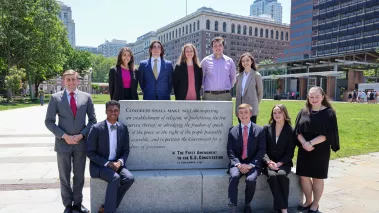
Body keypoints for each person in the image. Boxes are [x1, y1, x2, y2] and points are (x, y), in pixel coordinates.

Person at [45, 70, 97, 213]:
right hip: (63, 144)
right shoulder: (55, 98)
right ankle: (68, 205)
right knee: (64, 177)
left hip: (80, 143)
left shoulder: (86, 97)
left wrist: (81, 135)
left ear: (78, 81)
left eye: (73, 79)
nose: (71, 82)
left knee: (79, 176)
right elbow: (49, 122)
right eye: (68, 80)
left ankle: (77, 204)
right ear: (64, 81)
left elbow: (92, 121)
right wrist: (64, 136)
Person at [294, 86, 340, 213]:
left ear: (323, 97)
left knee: (317, 177)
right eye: (311, 96)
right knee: (304, 176)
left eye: (316, 97)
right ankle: (308, 201)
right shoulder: (303, 111)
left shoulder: (329, 113)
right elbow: (297, 130)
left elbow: (328, 134)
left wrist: (310, 143)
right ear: (308, 97)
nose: (314, 99)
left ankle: (315, 203)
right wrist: (304, 143)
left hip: (320, 149)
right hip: (304, 149)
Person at [87, 100, 135, 213]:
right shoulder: (96, 128)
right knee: (116, 178)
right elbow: (90, 152)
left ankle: (106, 207)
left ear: (119, 112)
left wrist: (120, 162)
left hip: (117, 164)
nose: (113, 112)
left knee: (129, 178)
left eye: (116, 110)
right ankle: (110, 211)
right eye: (110, 110)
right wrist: (107, 163)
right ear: (106, 111)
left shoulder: (123, 128)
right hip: (100, 165)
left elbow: (126, 150)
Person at [227, 103, 266, 213]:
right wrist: (238, 164)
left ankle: (247, 204)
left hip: (253, 163)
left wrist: (251, 165)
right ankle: (232, 206)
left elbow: (262, 150)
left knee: (251, 179)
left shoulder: (260, 130)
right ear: (238, 115)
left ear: (251, 114)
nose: (243, 115)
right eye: (241, 113)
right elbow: (230, 151)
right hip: (237, 163)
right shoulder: (232, 131)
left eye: (246, 112)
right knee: (234, 176)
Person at [263, 104, 295, 213]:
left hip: (284, 163)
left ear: (285, 113)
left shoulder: (290, 130)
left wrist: (279, 164)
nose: (277, 115)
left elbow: (290, 152)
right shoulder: (267, 128)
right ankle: (284, 209)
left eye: (279, 112)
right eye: (274, 113)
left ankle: (280, 208)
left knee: (281, 175)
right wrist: (268, 162)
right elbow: (263, 149)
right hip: (269, 162)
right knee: (272, 176)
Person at [201, 37, 236, 101]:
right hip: (209, 96)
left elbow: (233, 79)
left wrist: (226, 89)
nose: (218, 48)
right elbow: (201, 78)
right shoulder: (205, 61)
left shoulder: (230, 61)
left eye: (220, 45)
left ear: (223, 47)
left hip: (225, 96)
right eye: (215, 46)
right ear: (212, 48)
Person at [235, 53, 263, 124]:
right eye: (243, 61)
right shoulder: (238, 76)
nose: (245, 63)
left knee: (251, 132)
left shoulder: (256, 75)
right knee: (241, 131)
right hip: (240, 108)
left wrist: (255, 103)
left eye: (247, 60)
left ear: (252, 61)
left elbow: (260, 93)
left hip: (251, 108)